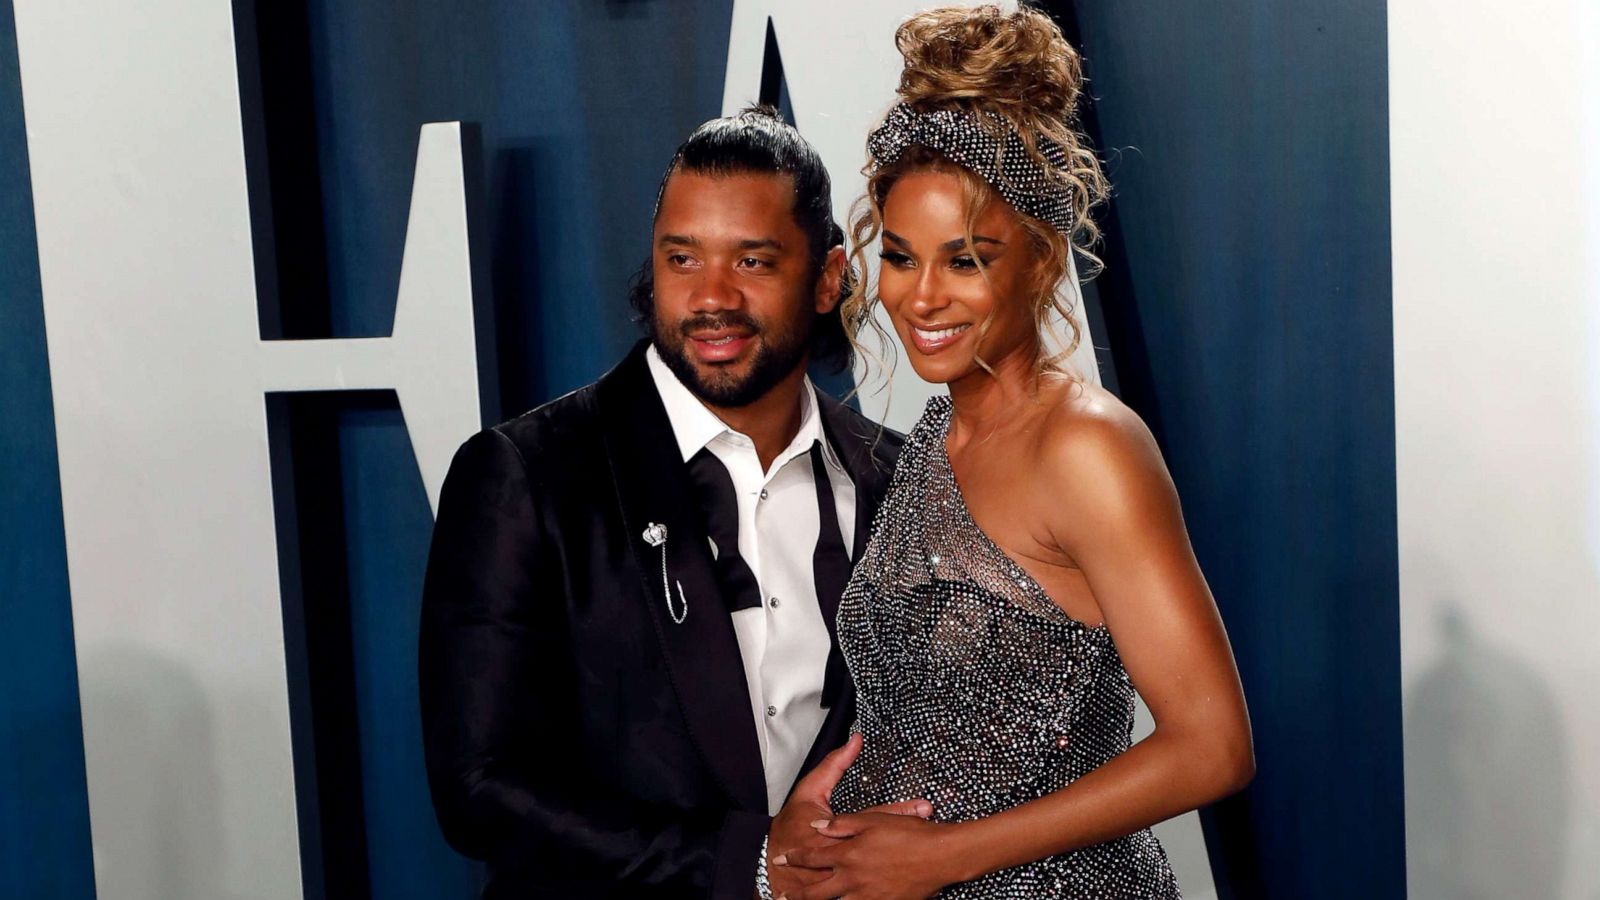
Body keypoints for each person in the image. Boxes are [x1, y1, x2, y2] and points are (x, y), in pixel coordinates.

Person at [772, 7, 1255, 898]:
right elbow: (926, 720)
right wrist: (818, 824)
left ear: (1039, 259)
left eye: (965, 260)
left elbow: (1214, 745)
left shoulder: (1087, 448)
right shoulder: (936, 436)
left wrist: (945, 856)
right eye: (904, 257)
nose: (921, 298)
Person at [418, 107, 928, 900]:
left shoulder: (897, 479)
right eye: (682, 259)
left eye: (753, 261)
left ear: (827, 279)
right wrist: (750, 863)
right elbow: (480, 788)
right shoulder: (527, 474)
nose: (711, 298)